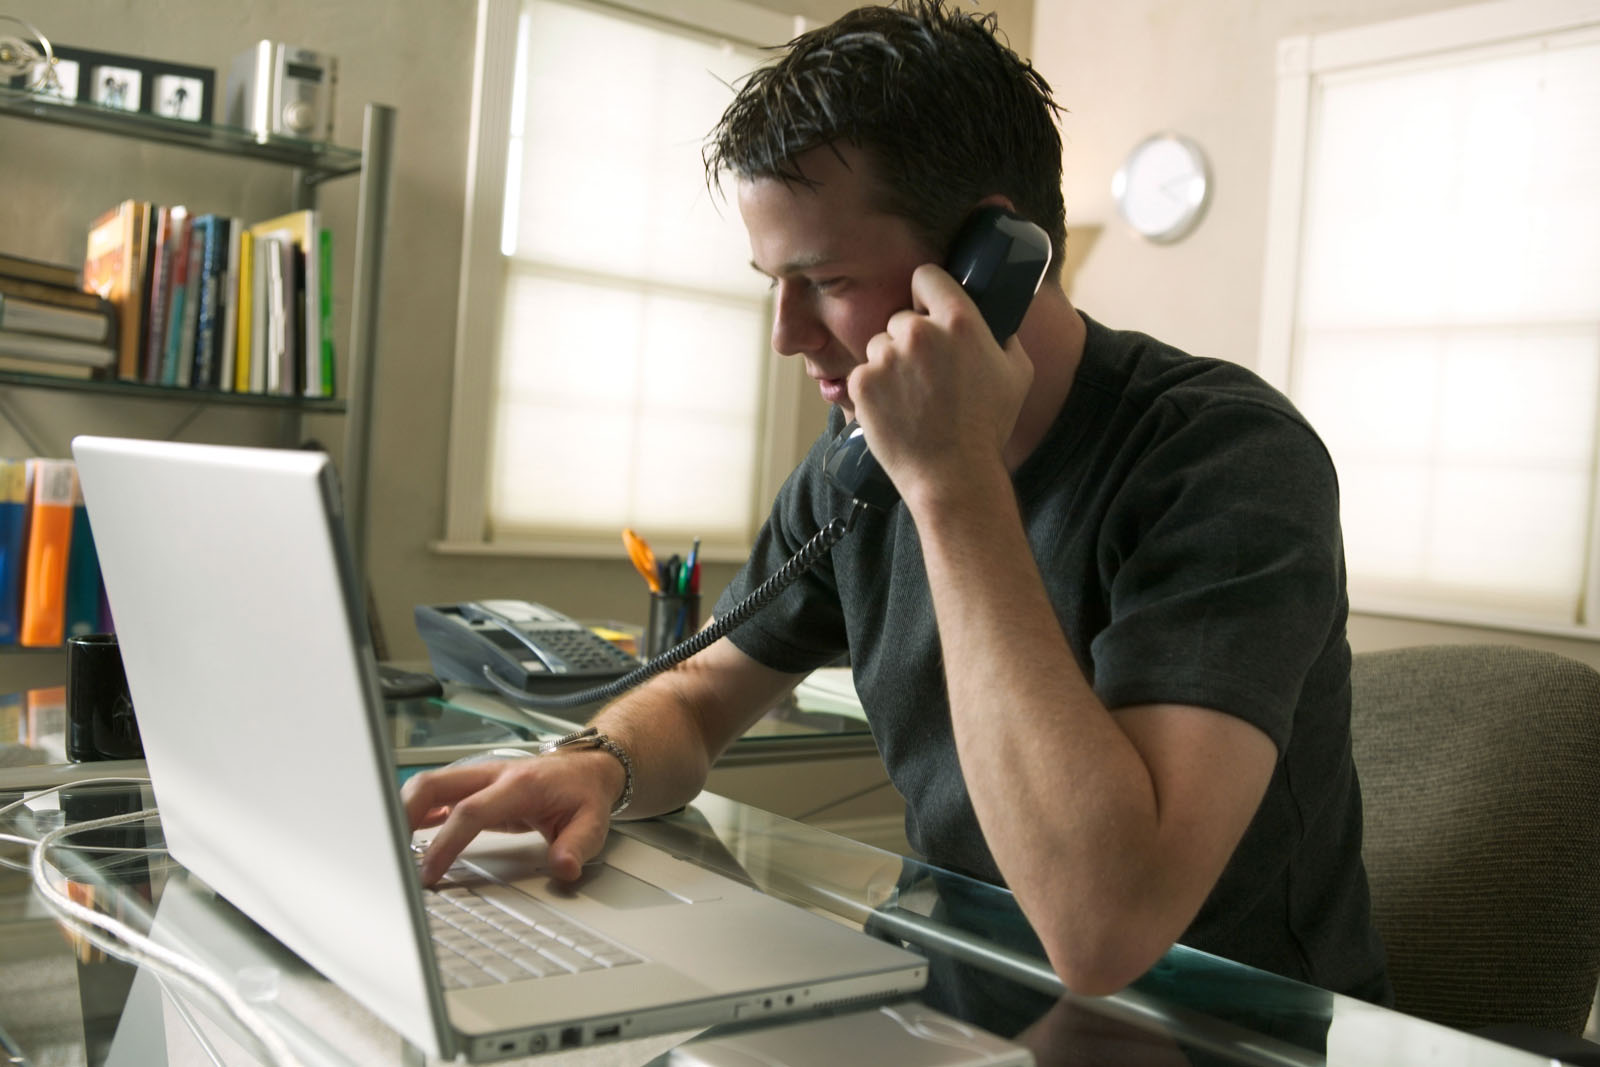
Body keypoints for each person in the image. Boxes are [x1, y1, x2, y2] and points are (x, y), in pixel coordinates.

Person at [404, 0, 1390, 1004]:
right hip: (937, 1006)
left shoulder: (1222, 458)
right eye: (770, 282)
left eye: (825, 278)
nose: (787, 334)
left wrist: (952, 481)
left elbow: (1105, 928)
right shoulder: (854, 463)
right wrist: (601, 760)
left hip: (1196, 1032)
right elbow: (699, 695)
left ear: (991, 262)